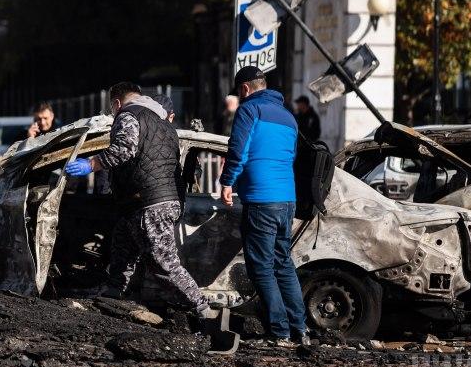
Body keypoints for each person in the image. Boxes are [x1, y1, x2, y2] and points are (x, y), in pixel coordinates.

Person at [63, 82, 212, 319]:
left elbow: (125, 149)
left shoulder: (129, 115)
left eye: (113, 109)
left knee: (163, 262)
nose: (114, 114)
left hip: (149, 202)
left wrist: (91, 164)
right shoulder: (164, 124)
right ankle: (112, 294)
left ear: (116, 103)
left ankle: (202, 308)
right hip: (150, 201)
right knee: (122, 246)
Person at [218, 66, 307, 346]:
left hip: (260, 199)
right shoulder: (289, 118)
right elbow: (290, 156)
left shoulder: (249, 111)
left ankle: (279, 331)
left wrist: (227, 182)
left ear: (244, 89)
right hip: (286, 199)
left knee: (261, 267)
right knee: (283, 263)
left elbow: (239, 150)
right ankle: (300, 329)